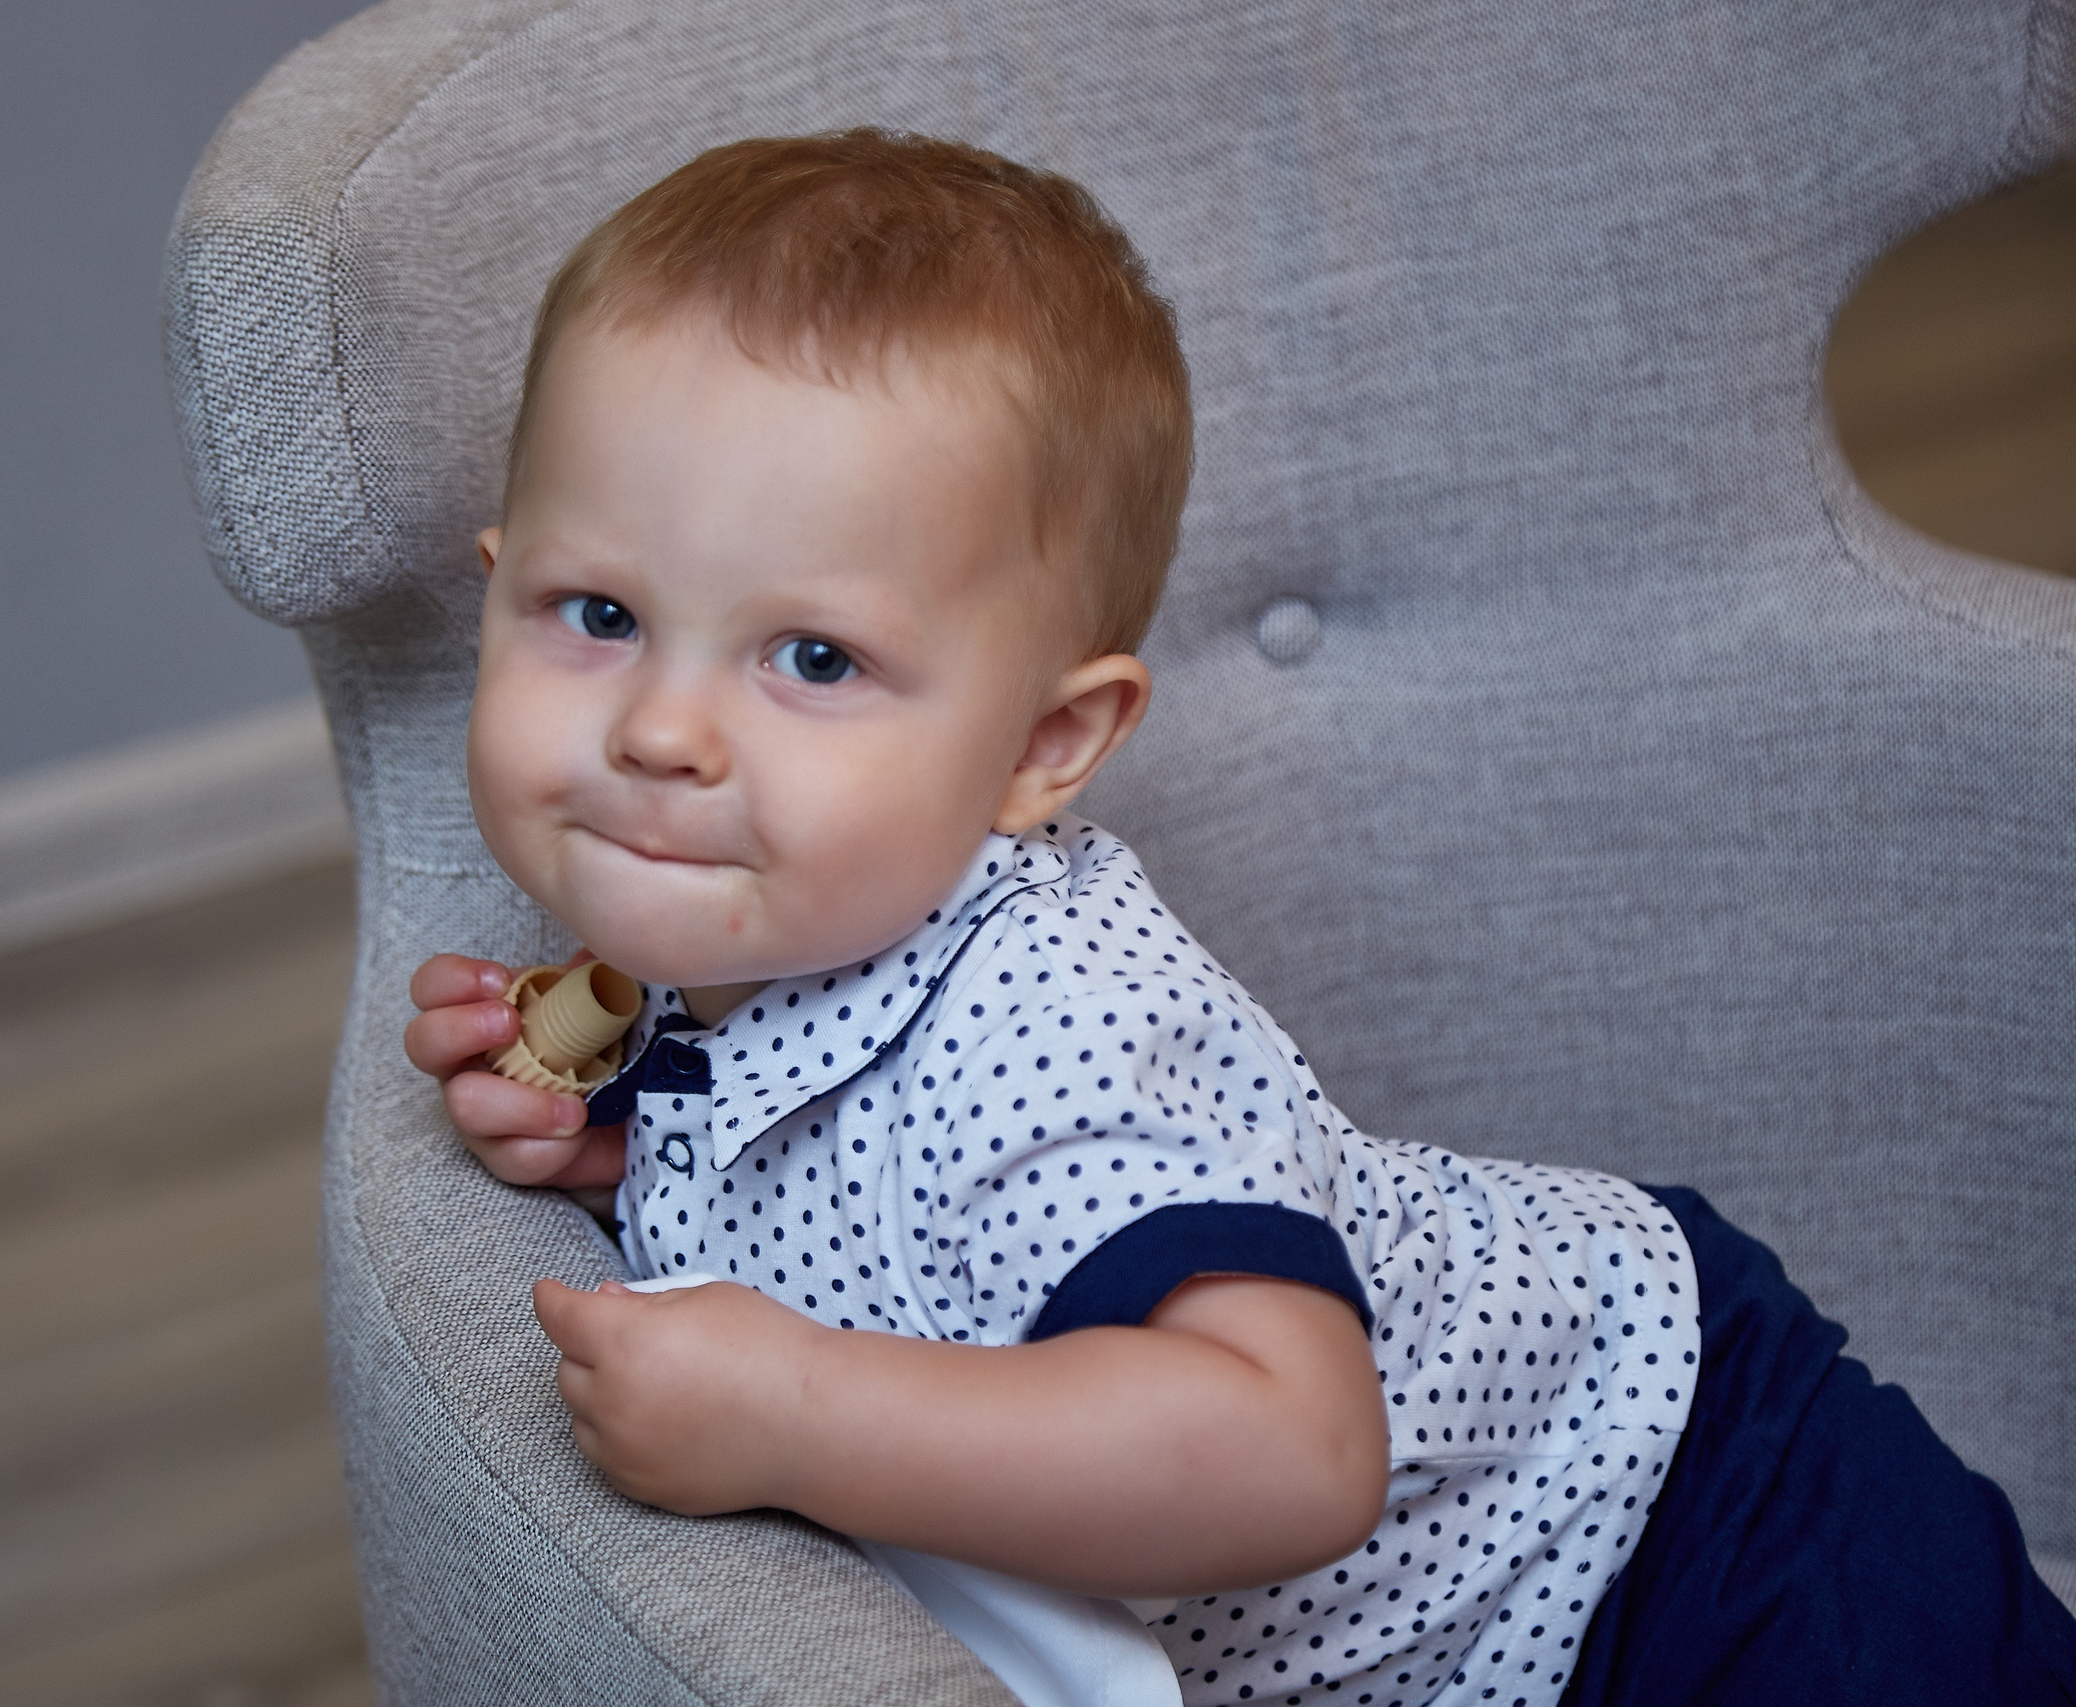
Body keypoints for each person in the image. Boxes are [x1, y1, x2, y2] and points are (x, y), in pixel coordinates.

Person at [400, 129, 2075, 1707]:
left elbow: (1293, 1451)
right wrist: (624, 1148)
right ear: (495, 585)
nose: (662, 731)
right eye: (597, 614)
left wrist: (797, 1417)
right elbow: (873, 1211)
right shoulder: (744, 954)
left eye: (815, 659)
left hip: (1692, 1533)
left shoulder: (1054, 1027)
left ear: (1043, 748)